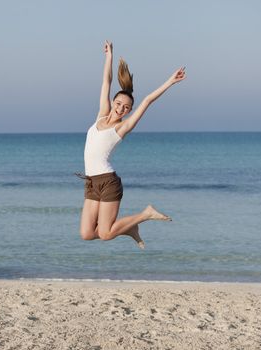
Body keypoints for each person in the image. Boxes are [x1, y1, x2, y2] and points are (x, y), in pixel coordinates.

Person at [77, 40, 186, 249]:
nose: (120, 108)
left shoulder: (122, 128)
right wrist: (109, 56)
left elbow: (146, 100)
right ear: (113, 102)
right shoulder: (100, 116)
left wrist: (170, 82)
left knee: (106, 233)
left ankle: (146, 214)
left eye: (126, 108)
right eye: (118, 103)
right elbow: (106, 82)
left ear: (128, 111)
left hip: (108, 183)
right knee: (86, 233)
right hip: (91, 182)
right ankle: (129, 228)